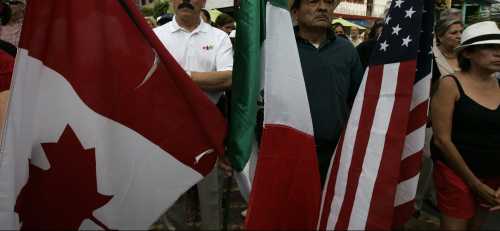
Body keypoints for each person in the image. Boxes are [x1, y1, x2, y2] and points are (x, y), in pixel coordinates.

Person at [153, 0, 233, 229]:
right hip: (167, 132)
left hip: (206, 132)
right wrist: (206, 80)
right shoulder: (155, 37)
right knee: (170, 203)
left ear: (204, 2)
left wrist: (181, 77)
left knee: (211, 203)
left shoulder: (218, 38)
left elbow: (228, 78)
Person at [430, 21, 500, 230]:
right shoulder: (449, 85)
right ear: (468, 53)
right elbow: (442, 140)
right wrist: (475, 184)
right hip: (456, 175)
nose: (498, 53)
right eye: (490, 47)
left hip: (493, 175)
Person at [291, 0, 363, 185]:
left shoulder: (347, 50)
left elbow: (358, 100)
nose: (323, 7)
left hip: (334, 153)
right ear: (295, 12)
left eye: (329, 2)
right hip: (288, 153)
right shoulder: (279, 47)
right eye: (313, 1)